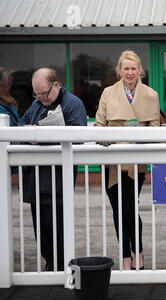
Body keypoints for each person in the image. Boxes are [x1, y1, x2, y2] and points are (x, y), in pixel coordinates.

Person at [95, 50, 160, 270]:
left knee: (130, 208)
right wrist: (104, 139)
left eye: (134, 68)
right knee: (117, 209)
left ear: (140, 70)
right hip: (113, 161)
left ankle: (138, 251)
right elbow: (99, 125)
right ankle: (125, 255)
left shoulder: (151, 94)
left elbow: (154, 127)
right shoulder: (107, 93)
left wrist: (141, 139)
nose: (130, 72)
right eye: (126, 68)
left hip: (135, 161)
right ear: (119, 70)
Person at [18, 68, 87, 271]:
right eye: (36, 94)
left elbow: (78, 136)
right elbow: (21, 124)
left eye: (45, 93)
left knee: (57, 230)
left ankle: (59, 268)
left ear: (56, 85)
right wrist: (27, 133)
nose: (41, 98)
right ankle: (51, 265)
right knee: (41, 231)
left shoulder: (73, 104)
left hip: (57, 182)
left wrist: (39, 136)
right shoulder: (36, 104)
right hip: (36, 181)